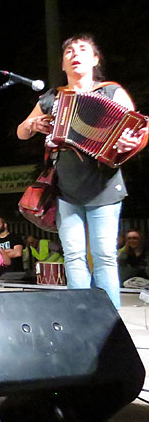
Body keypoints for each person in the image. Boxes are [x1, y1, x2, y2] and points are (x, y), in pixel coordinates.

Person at [17, 34, 147, 308]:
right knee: (74, 256)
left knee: (104, 257)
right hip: (66, 188)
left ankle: (110, 320)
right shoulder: (53, 97)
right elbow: (21, 132)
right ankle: (81, 316)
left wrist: (130, 142)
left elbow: (137, 130)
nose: (75, 54)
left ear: (95, 60)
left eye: (82, 49)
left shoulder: (111, 92)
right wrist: (33, 125)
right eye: (69, 51)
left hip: (104, 186)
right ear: (63, 64)